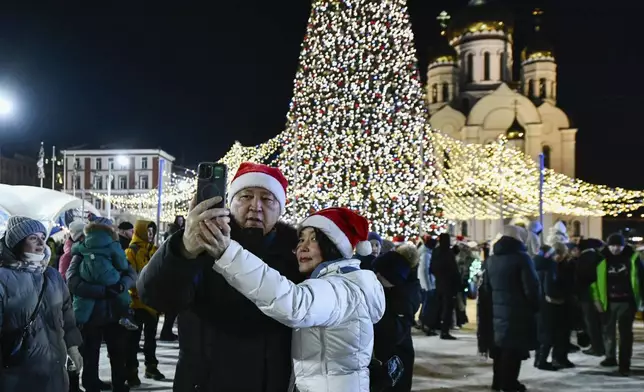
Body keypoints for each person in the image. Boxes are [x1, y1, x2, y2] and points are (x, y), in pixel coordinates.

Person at [138, 162, 303, 391]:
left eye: (267, 199)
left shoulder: (295, 260)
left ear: (280, 209)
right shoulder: (199, 247)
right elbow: (155, 297)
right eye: (245, 196)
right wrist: (183, 250)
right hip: (204, 382)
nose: (255, 206)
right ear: (229, 202)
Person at [207, 206, 385, 391]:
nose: (303, 247)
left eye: (314, 239)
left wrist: (229, 255)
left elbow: (293, 304)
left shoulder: (341, 289)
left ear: (334, 246)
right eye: (301, 239)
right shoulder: (342, 282)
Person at [0, 216, 83, 392]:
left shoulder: (51, 275)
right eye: (32, 238)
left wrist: (72, 346)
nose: (40, 242)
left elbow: (66, 313)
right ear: (18, 243)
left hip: (55, 369)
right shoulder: (3, 279)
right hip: (17, 373)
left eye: (42, 237)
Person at [483, 225, 540, 392]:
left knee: (499, 349)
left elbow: (486, 287)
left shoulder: (492, 259)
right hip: (517, 312)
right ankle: (509, 384)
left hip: (495, 311)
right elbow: (531, 287)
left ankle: (498, 382)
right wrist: (535, 305)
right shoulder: (522, 258)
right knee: (513, 350)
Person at [71, 216, 138, 331]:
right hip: (114, 311)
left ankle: (78, 319)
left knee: (82, 304)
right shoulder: (114, 246)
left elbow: (72, 281)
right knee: (117, 347)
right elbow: (129, 271)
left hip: (93, 314)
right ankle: (126, 315)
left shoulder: (83, 247)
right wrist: (121, 286)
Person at [591, 233, 644, 376]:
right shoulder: (600, 258)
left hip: (627, 301)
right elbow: (593, 281)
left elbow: (641, 277)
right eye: (613, 245)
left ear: (624, 245)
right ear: (608, 245)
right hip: (607, 301)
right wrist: (596, 299)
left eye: (619, 245)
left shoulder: (632, 257)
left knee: (625, 334)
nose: (615, 249)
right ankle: (610, 357)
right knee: (608, 331)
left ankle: (624, 363)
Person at [373, 243, 420, 392]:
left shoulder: (402, 298)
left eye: (380, 275)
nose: (376, 277)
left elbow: (394, 334)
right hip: (394, 357)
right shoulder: (397, 288)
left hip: (396, 358)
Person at [124, 220, 165, 386]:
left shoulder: (155, 250)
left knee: (150, 339)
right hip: (136, 303)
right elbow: (131, 276)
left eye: (152, 232)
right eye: (147, 231)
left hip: (152, 303)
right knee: (132, 341)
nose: (150, 235)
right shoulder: (131, 251)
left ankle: (151, 367)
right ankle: (132, 373)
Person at [534, 242, 571, 371]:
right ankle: (542, 360)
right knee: (548, 334)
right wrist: (559, 297)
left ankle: (539, 359)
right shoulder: (549, 266)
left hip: (541, 303)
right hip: (550, 304)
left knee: (545, 333)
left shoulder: (537, 263)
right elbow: (550, 287)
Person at [575, 238, 605, 356]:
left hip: (586, 295)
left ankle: (596, 348)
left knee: (591, 323)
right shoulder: (599, 257)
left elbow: (579, 279)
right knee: (599, 322)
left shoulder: (583, 259)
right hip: (600, 294)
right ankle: (602, 346)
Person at [429, 233, 460, 340]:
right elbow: (454, 271)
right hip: (449, 285)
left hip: (439, 283)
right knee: (447, 308)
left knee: (438, 306)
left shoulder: (436, 252)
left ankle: (434, 326)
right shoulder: (448, 253)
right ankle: (444, 331)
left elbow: (432, 268)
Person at [418, 235, 438, 336]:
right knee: (427, 305)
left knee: (426, 305)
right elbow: (424, 271)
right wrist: (428, 285)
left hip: (426, 284)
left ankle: (422, 322)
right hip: (427, 285)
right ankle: (425, 324)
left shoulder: (425, 253)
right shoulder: (426, 255)